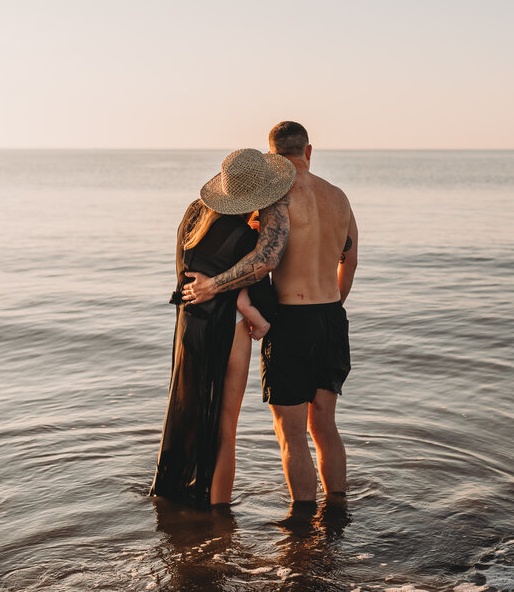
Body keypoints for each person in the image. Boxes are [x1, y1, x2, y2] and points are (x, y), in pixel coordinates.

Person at [183, 121, 359, 506]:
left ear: (273, 160)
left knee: (291, 433)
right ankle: (337, 516)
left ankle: (301, 528)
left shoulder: (279, 197)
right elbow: (350, 260)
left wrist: (213, 284)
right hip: (331, 317)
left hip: (292, 322)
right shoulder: (340, 197)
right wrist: (334, 306)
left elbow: (265, 260)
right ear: (308, 151)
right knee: (326, 426)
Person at [151, 148, 296, 507]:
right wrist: (251, 309)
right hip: (227, 329)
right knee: (225, 430)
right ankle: (218, 515)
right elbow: (262, 294)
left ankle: (178, 502)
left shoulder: (192, 217)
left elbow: (185, 273)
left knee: (187, 413)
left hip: (189, 326)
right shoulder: (246, 240)